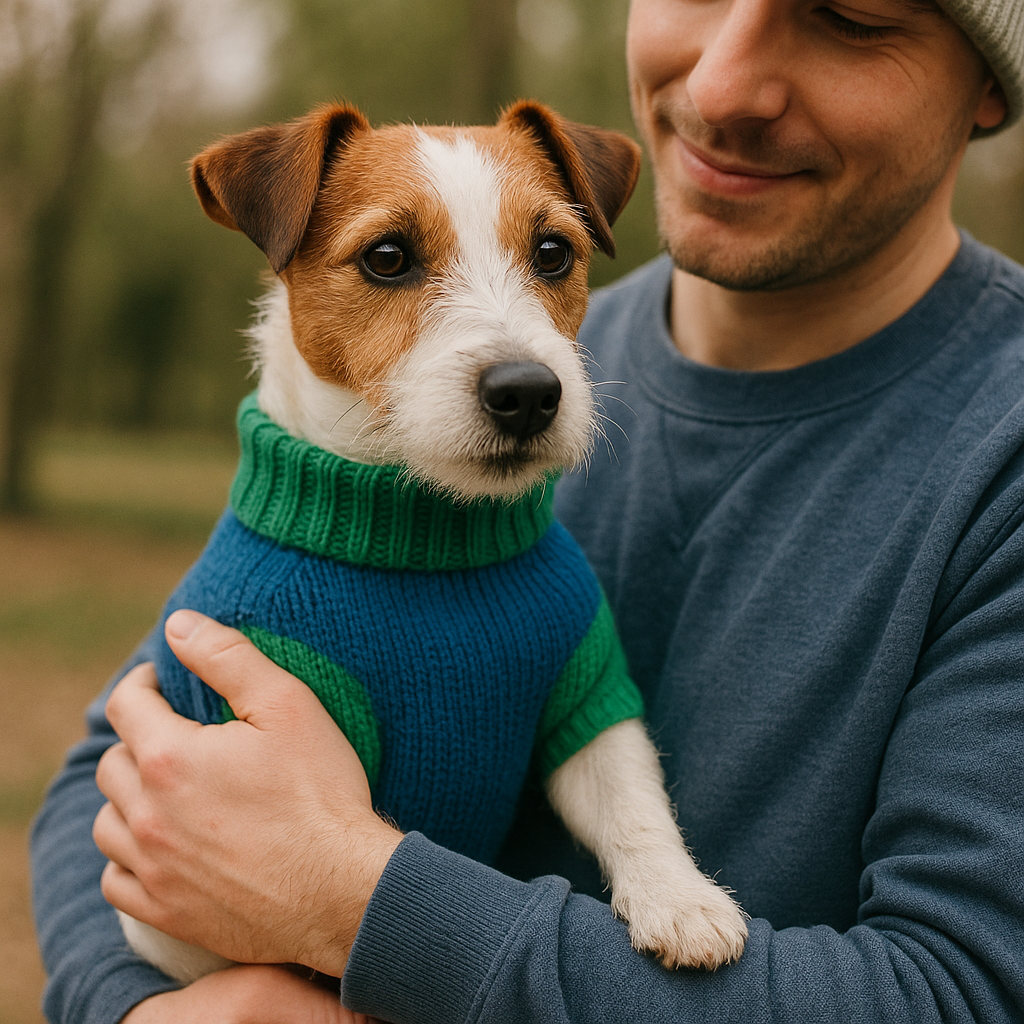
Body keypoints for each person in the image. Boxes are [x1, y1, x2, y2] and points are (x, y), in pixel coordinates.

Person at [31, 0, 1024, 1020]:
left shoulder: (999, 463)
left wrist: (355, 899)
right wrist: (142, 1007)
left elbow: (962, 993)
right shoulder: (362, 489)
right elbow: (109, 778)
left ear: (991, 81)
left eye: (852, 16)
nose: (725, 84)